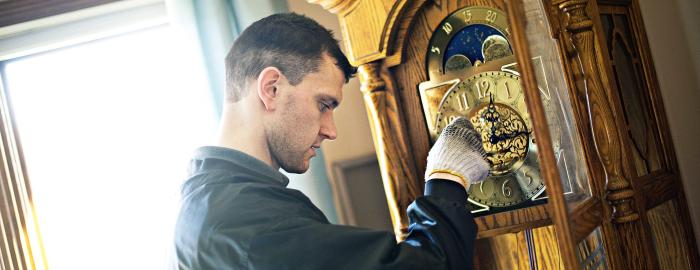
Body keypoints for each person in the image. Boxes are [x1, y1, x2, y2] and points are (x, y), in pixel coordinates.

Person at [173, 12, 489, 270]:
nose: (331, 130)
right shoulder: (249, 223)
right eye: (324, 104)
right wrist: (447, 177)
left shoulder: (205, 201)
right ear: (272, 88)